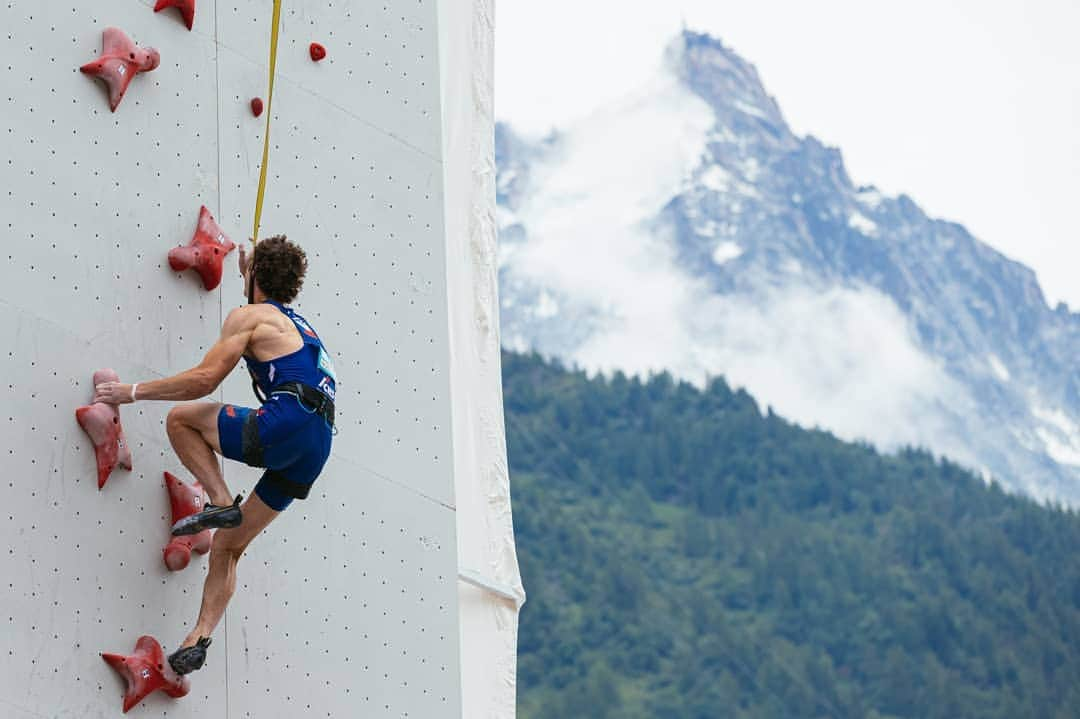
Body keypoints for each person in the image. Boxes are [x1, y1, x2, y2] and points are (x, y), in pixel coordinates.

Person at [93, 235, 337, 675]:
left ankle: (222, 501)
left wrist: (133, 392)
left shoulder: (250, 315)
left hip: (290, 420)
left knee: (182, 421)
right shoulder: (300, 327)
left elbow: (206, 379)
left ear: (257, 276)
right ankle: (198, 639)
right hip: (317, 445)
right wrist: (253, 268)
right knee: (228, 545)